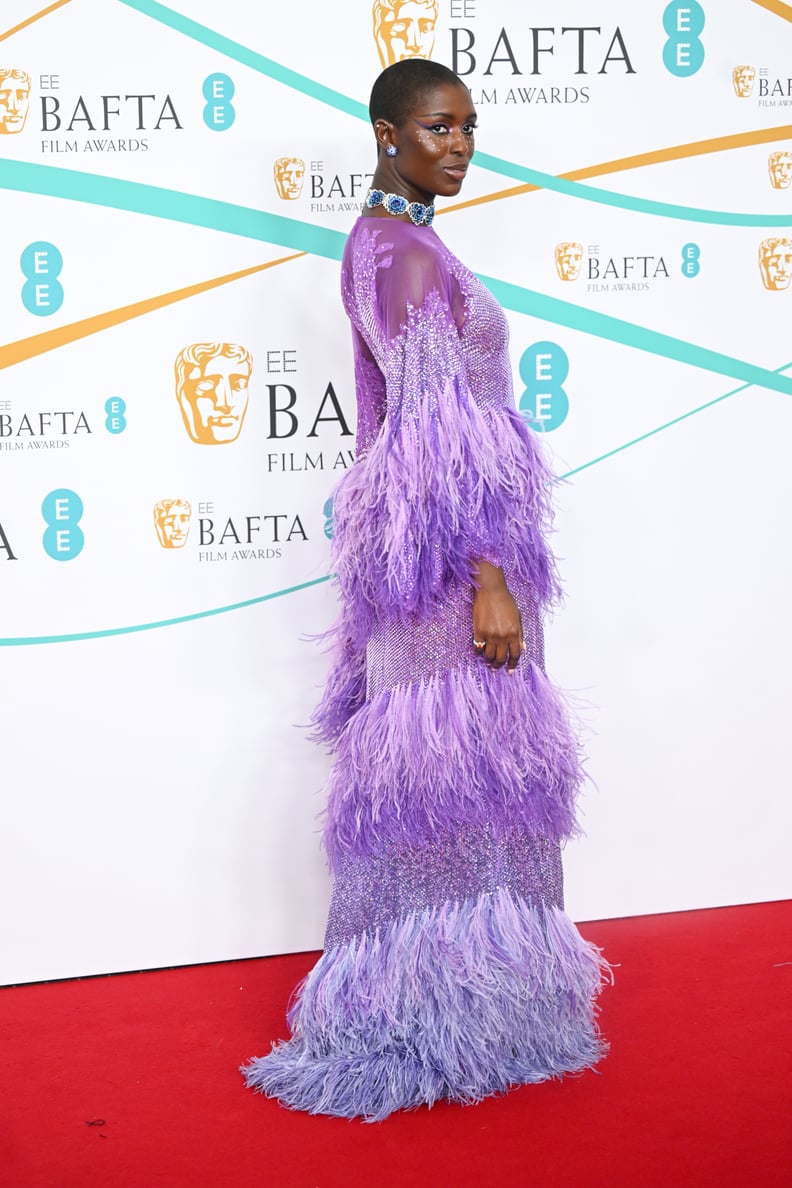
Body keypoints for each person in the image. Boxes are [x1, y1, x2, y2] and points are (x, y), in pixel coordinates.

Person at [243, 59, 609, 1121]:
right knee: (450, 794)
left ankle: (476, 1013)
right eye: (438, 127)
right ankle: (426, 1018)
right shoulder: (400, 254)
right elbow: (443, 444)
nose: (459, 145)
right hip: (458, 578)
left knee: (461, 794)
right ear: (386, 131)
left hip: (437, 568)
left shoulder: (399, 243)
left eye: (469, 127)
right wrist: (492, 584)